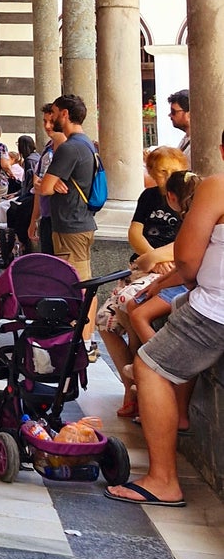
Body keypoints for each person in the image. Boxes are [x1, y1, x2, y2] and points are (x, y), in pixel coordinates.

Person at [109, 135, 224, 508]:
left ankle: (163, 480)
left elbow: (188, 258)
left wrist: (187, 282)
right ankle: (181, 417)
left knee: (150, 366)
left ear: (221, 151)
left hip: (216, 310)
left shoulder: (217, 186)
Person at [98, 145, 188, 418]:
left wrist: (153, 259)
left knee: (129, 301)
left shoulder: (188, 198)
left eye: (173, 171)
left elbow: (186, 243)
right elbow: (135, 232)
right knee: (105, 321)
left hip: (166, 270)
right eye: (161, 171)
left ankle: (143, 378)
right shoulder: (149, 196)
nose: (167, 176)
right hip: (144, 266)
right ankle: (130, 384)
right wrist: (150, 257)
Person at [32, 94, 98, 312]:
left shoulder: (69, 148)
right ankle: (82, 338)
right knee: (81, 282)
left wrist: (45, 182)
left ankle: (84, 340)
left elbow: (45, 188)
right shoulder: (86, 143)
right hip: (78, 221)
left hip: (71, 224)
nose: (51, 117)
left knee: (78, 285)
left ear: (65, 114)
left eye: (54, 111)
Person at [169, 89, 191, 154]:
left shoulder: (197, 144)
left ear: (189, 114)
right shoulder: (186, 138)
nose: (170, 115)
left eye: (173, 112)